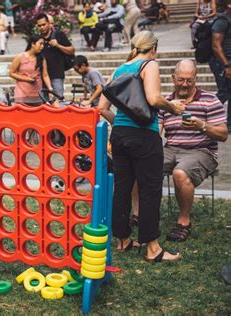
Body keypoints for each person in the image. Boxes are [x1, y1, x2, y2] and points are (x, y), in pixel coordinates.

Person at [98, 31, 185, 262]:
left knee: (122, 188)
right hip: (144, 137)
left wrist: (123, 124)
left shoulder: (120, 69)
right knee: (149, 190)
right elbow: (155, 99)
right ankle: (152, 248)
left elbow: (102, 107)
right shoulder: (150, 65)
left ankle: (123, 240)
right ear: (153, 47)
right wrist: (173, 107)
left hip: (119, 136)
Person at [159, 59, 228, 242]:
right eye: (181, 79)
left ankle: (184, 222)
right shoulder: (166, 102)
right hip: (171, 148)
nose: (185, 84)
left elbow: (223, 135)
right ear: (173, 78)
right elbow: (156, 131)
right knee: (141, 163)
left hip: (202, 151)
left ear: (196, 79)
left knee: (180, 173)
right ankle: (138, 214)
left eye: (189, 80)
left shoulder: (210, 100)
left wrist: (202, 125)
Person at [35, 13, 75, 99]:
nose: (42, 27)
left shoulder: (59, 35)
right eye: (39, 25)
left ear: (49, 23)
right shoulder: (37, 38)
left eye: (44, 24)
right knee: (43, 103)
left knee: (58, 100)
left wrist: (58, 45)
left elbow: (72, 50)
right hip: (41, 76)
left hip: (57, 74)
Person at [9, 34, 53, 106]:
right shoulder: (20, 57)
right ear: (33, 44)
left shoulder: (42, 59)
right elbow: (11, 73)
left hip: (37, 93)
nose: (42, 46)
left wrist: (50, 89)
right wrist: (27, 79)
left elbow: (45, 75)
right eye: (40, 44)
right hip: (22, 93)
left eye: (43, 44)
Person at [210, 1, 231, 132]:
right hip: (222, 62)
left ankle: (229, 124)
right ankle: (204, 114)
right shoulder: (222, 21)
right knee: (223, 92)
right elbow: (215, 45)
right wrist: (226, 65)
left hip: (228, 61)